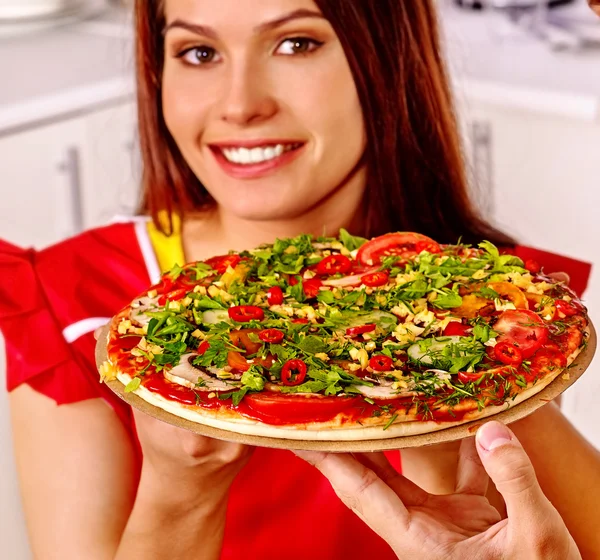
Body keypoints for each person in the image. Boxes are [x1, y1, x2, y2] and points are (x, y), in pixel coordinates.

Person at [1, 1, 598, 559]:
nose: (240, 105)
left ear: (386, 61)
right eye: (199, 53)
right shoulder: (67, 300)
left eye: (295, 43)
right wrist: (180, 490)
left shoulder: (499, 315)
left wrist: (451, 433)